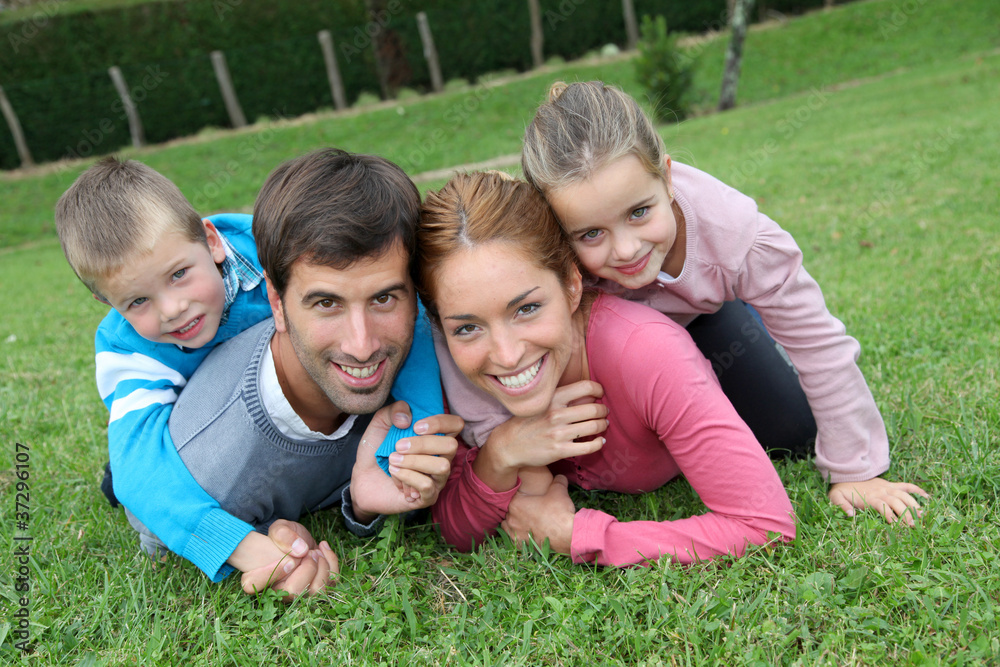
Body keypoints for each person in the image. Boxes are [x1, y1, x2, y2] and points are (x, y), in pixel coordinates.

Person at [516, 80, 929, 525]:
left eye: (639, 212)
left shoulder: (740, 237)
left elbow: (819, 345)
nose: (627, 250)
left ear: (667, 177)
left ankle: (735, 322)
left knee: (791, 430)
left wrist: (857, 471)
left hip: (703, 319)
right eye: (591, 234)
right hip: (615, 347)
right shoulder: (549, 259)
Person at [54, 154, 450, 594]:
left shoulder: (269, 251)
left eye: (179, 274)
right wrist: (243, 546)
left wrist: (406, 441)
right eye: (136, 302)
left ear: (212, 241)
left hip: (287, 416)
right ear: (107, 304)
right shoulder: (126, 350)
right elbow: (140, 472)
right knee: (137, 491)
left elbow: (399, 305)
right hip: (188, 424)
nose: (172, 309)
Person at [421, 171, 795, 566]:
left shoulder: (648, 353)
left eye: (527, 309)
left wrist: (579, 535)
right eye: (468, 327)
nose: (507, 355)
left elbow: (766, 526)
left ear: (570, 284)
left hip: (693, 335)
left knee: (793, 427)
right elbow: (455, 531)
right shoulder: (455, 364)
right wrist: (497, 455)